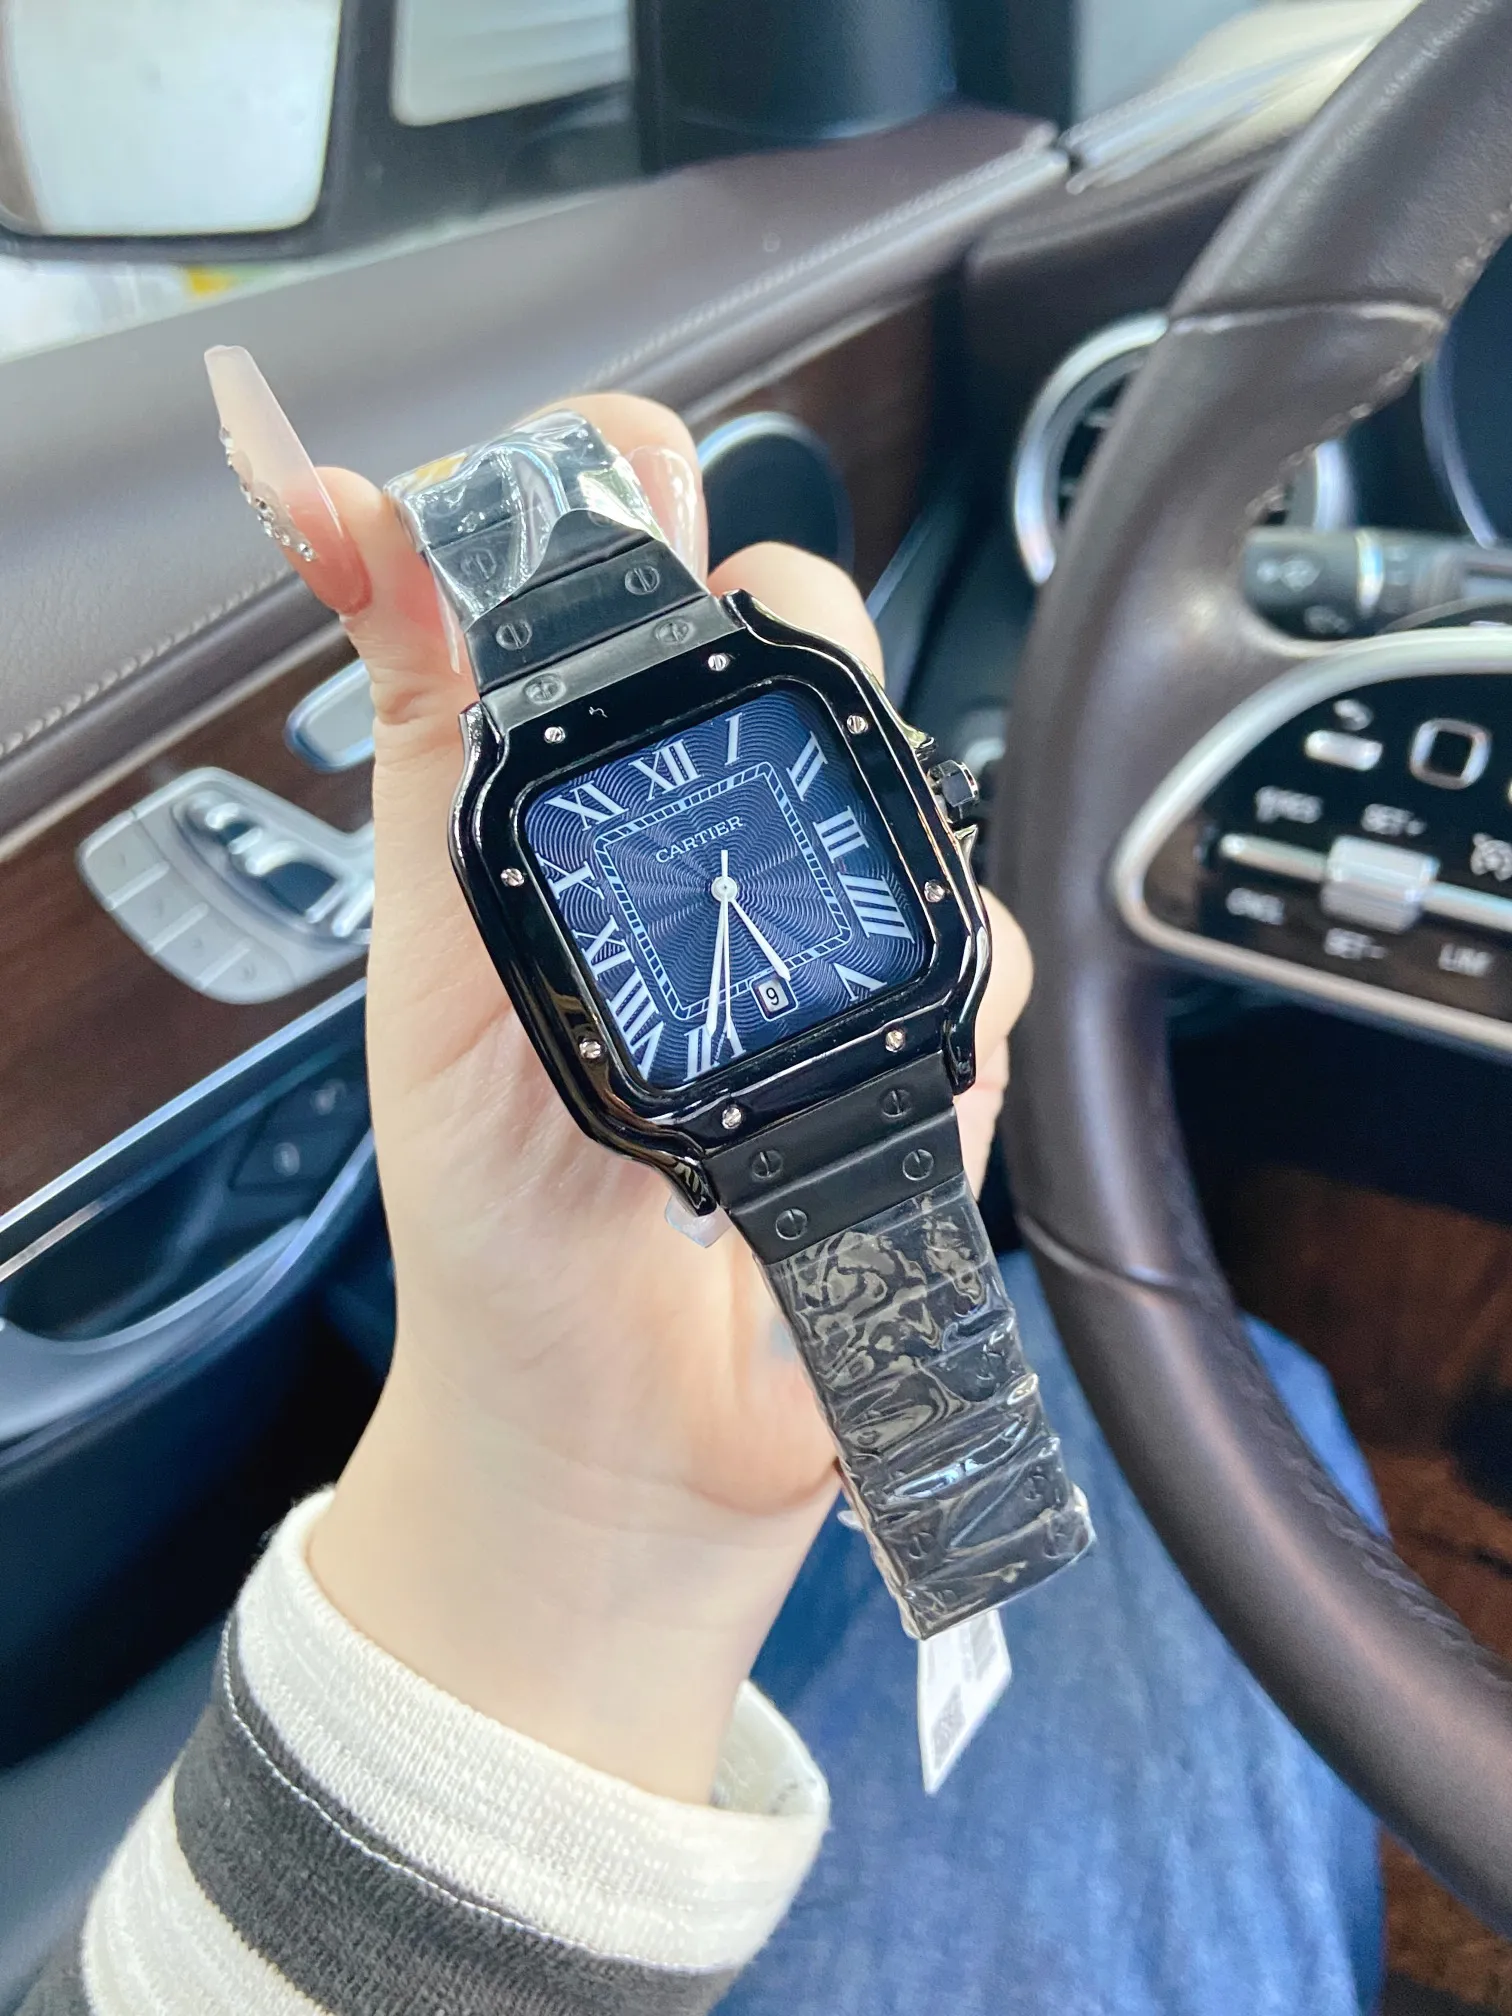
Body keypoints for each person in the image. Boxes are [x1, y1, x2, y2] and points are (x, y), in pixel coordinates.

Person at [22, 367, 1387, 2016]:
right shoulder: (563, 828)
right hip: (777, 1111)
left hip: (800, 1137)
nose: (732, 885)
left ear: (922, 814)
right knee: (1261, 1391)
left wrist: (606, 1485)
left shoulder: (662, 814)